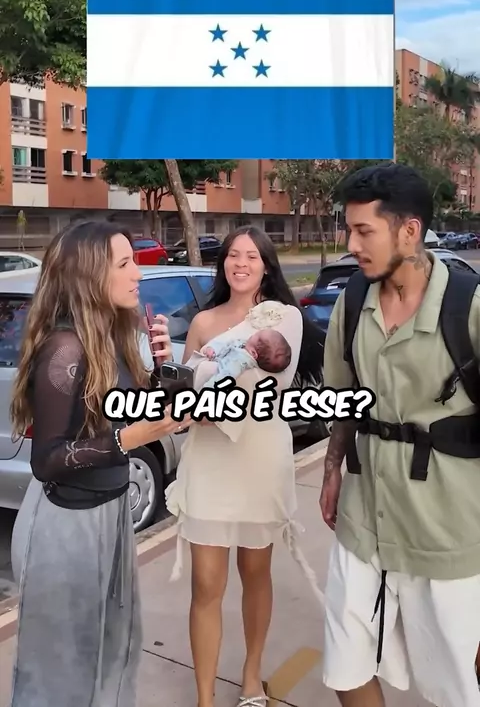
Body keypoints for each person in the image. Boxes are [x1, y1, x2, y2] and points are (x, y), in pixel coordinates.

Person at [8, 220, 190, 707]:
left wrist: (164, 373)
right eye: (125, 264)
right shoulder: (65, 348)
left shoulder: (115, 336)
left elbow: (133, 413)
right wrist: (129, 439)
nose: (138, 273)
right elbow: (48, 459)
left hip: (110, 514)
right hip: (65, 525)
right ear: (90, 275)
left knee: (114, 649)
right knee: (60, 673)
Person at [320, 163, 480, 707]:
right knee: (345, 667)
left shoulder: (468, 306)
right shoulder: (352, 302)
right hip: (364, 518)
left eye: (364, 231)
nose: (352, 245)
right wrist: (331, 470)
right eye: (349, 229)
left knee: (456, 688)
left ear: (409, 231)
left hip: (447, 529)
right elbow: (343, 397)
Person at [165, 225, 324, 707]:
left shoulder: (283, 318)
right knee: (205, 584)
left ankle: (252, 677)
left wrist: (206, 400)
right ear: (223, 264)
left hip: (259, 458)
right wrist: (170, 384)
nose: (240, 263)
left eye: (252, 256)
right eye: (233, 255)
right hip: (209, 461)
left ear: (266, 267)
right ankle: (205, 698)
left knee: (256, 573)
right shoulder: (203, 321)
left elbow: (267, 384)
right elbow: (184, 392)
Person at [200, 324, 292, 387]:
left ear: (253, 353)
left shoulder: (239, 362)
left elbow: (224, 378)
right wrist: (214, 349)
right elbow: (229, 344)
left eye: (257, 336)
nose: (254, 334)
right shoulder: (246, 346)